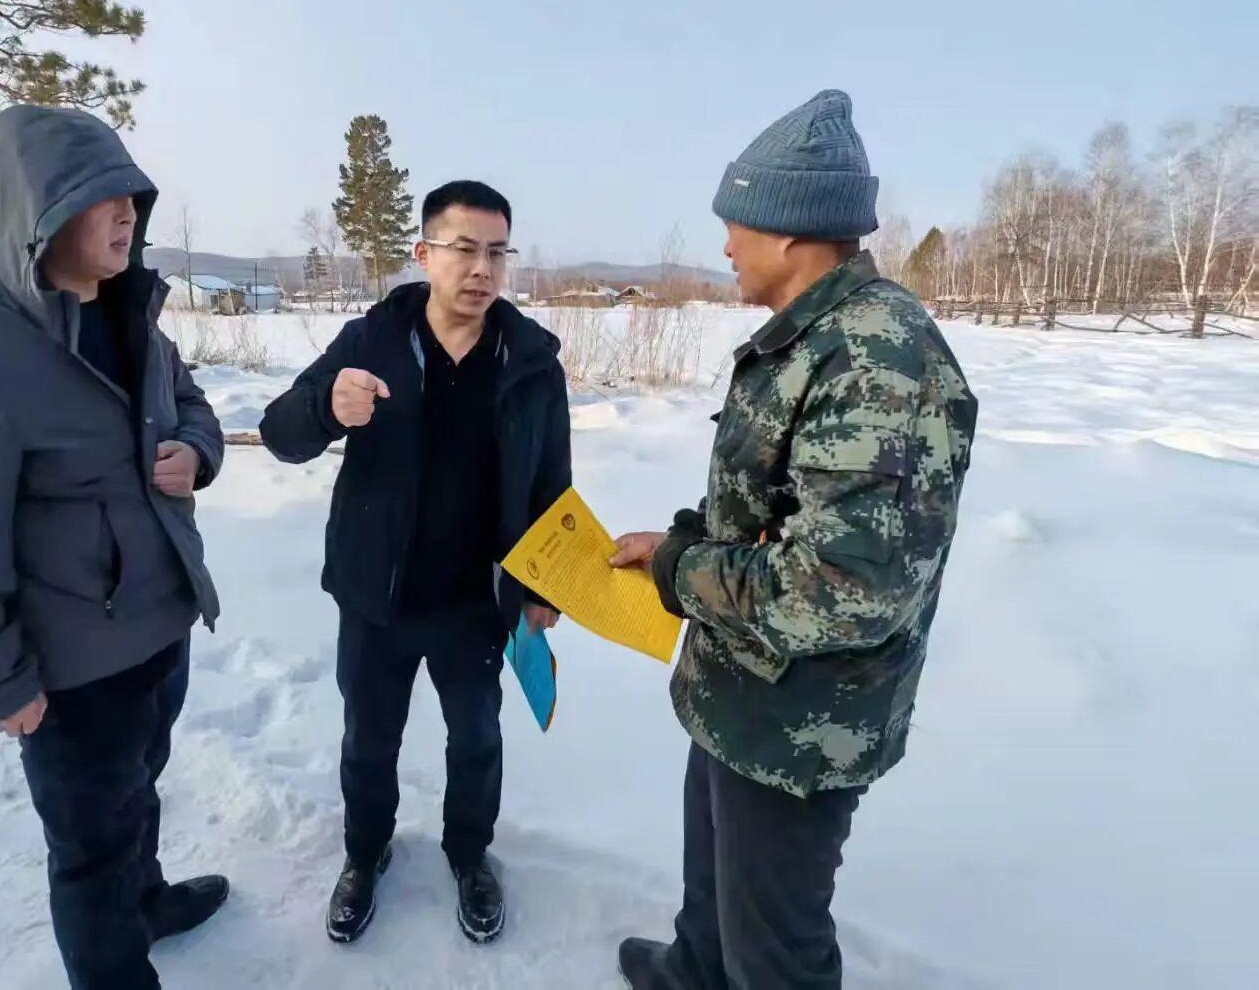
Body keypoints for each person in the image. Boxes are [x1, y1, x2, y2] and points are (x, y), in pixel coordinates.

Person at [610, 90, 977, 989]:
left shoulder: (876, 359)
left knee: (775, 948)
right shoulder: (813, 337)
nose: (725, 247)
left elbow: (836, 591)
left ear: (788, 232)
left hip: (799, 724)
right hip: (741, 689)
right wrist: (683, 538)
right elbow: (770, 500)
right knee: (713, 885)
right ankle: (695, 971)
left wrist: (678, 568)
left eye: (733, 225)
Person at [0, 105, 230, 990]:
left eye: (132, 196)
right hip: (72, 669)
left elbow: (191, 405)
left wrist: (197, 451)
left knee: (139, 790)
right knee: (89, 852)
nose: (127, 214)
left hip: (160, 624)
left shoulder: (133, 315)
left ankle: (147, 901)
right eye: (102, 195)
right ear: (39, 210)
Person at [260, 180, 570, 945]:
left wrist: (545, 587)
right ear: (424, 253)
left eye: (497, 252)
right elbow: (278, 433)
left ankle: (469, 854)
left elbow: (550, 483)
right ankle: (365, 853)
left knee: (478, 740)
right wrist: (326, 407)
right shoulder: (370, 342)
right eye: (464, 249)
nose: (482, 269)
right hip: (378, 597)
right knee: (369, 740)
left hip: (475, 604)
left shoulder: (530, 361)